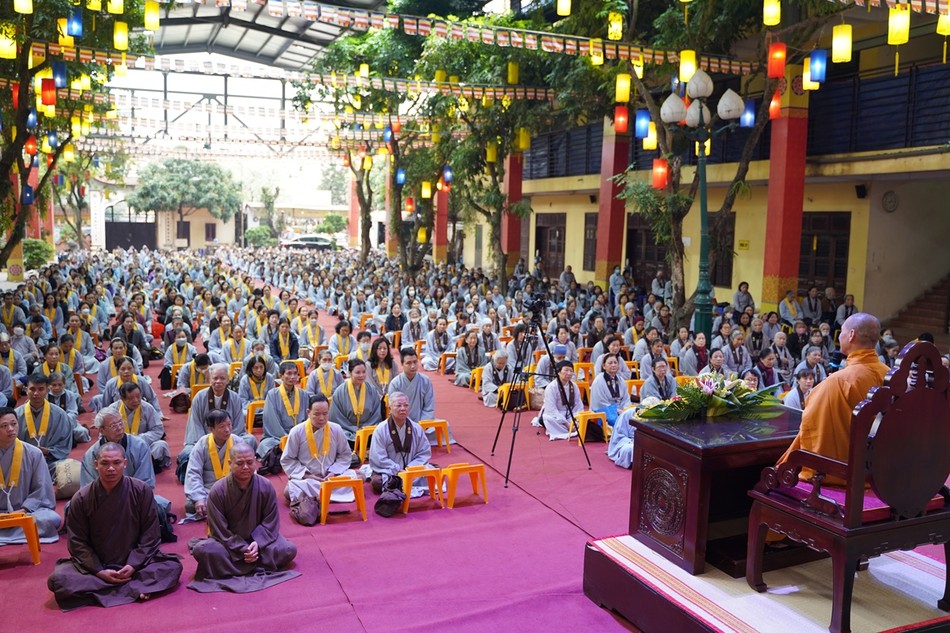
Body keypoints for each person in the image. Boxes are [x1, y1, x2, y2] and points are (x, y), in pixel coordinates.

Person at [48, 442, 183, 609]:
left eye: (117, 463)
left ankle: (108, 589)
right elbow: (77, 543)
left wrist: (133, 565)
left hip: (135, 563)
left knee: (172, 566)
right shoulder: (81, 498)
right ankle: (135, 588)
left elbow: (150, 534)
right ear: (96, 465)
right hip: (98, 565)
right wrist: (99, 570)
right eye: (105, 463)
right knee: (58, 580)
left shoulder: (141, 491)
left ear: (124, 464)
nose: (111, 468)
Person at [777, 313, 889, 483]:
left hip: (844, 475)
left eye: (843, 331)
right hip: (883, 472)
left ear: (851, 335)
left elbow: (812, 431)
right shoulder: (890, 374)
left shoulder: (838, 382)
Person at [188, 441, 298, 593]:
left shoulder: (266, 486)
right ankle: (254, 564)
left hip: (260, 543)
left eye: (249, 462)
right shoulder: (218, 490)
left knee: (287, 549)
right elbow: (219, 529)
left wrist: (256, 543)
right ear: (230, 463)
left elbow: (270, 522)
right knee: (203, 550)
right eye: (239, 463)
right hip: (229, 545)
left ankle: (235, 567)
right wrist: (242, 548)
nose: (245, 467)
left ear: (256, 461)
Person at [0, 407, 62, 545]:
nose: (10, 429)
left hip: (25, 512)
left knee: (51, 519)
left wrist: (24, 509)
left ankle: (11, 531)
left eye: (14, 424)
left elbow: (41, 489)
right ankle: (19, 531)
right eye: (4, 426)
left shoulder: (34, 453)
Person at [281, 395, 357, 505]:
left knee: (359, 476)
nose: (321, 418)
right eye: (316, 414)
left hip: (331, 478)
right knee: (288, 491)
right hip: (309, 480)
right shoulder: (297, 432)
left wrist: (333, 472)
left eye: (325, 414)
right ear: (308, 412)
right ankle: (330, 496)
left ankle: (317, 497)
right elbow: (288, 460)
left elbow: (345, 455)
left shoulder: (336, 429)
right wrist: (306, 474)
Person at [182, 363, 253, 463]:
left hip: (229, 440)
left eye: (222, 378)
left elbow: (238, 426)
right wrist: (208, 443)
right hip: (204, 441)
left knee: (250, 440)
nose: (218, 381)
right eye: (215, 378)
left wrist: (225, 441)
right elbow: (195, 425)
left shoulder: (235, 398)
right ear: (209, 379)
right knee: (187, 452)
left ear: (228, 380)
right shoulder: (199, 397)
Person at [16, 374, 76, 492]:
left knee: (75, 477)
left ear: (47, 390)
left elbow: (65, 443)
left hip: (51, 462)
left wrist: (48, 451)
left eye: (41, 389)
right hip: (22, 464)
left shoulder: (59, 414)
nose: (36, 393)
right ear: (26, 390)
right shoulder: (16, 415)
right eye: (32, 389)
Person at [368, 392, 433, 494]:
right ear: (390, 408)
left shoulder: (416, 428)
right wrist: (397, 470)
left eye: (406, 405)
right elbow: (379, 457)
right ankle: (400, 483)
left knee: (434, 472)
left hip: (411, 470)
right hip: (390, 471)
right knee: (377, 482)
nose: (403, 409)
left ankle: (403, 483)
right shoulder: (380, 429)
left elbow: (424, 453)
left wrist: (410, 469)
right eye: (398, 405)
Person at [184, 410, 244, 518]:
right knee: (190, 505)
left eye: (229, 425)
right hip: (208, 489)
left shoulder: (238, 442)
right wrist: (199, 498)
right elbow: (193, 472)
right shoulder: (201, 445)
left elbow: (248, 468)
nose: (227, 429)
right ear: (210, 429)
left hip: (233, 488)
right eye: (222, 426)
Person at [107, 381, 169, 472]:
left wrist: (139, 439)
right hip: (120, 446)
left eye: (138, 396)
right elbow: (105, 433)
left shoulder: (147, 407)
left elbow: (158, 430)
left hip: (144, 444)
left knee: (161, 445)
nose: (136, 400)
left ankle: (143, 463)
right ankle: (144, 465)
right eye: (131, 398)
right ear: (122, 398)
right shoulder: (112, 410)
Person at [258, 361, 309, 458]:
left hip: (301, 436)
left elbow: (308, 419)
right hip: (278, 437)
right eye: (289, 373)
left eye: (295, 373)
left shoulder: (304, 394)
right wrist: (287, 437)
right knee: (265, 445)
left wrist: (300, 436)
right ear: (281, 376)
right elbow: (271, 421)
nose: (293, 377)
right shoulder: (272, 394)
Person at [328, 359, 381, 443]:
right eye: (357, 372)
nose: (361, 375)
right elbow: (336, 417)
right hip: (346, 430)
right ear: (349, 373)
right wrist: (354, 429)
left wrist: (364, 428)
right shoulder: (340, 392)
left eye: (364, 372)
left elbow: (376, 414)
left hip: (367, 430)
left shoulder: (372, 390)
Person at [388, 347, 438, 435]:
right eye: (409, 363)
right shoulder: (395, 383)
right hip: (401, 423)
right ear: (402, 364)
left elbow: (429, 407)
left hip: (422, 422)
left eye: (415, 362)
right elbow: (394, 409)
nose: (413, 366)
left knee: (443, 427)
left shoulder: (425, 381)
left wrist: (422, 425)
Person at [531, 360, 583, 441]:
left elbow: (578, 405)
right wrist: (567, 424)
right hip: (555, 416)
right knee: (547, 418)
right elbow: (551, 409)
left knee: (583, 418)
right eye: (566, 370)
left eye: (571, 371)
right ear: (558, 372)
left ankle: (572, 428)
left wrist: (576, 420)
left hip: (569, 415)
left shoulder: (574, 386)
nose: (569, 373)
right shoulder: (551, 387)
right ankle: (568, 430)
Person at [590, 354, 631, 428]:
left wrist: (625, 409)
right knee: (618, 421)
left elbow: (626, 399)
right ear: (604, 366)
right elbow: (600, 402)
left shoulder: (621, 380)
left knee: (632, 417)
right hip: (605, 410)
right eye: (610, 363)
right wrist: (617, 411)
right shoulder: (598, 381)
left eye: (615, 363)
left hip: (620, 410)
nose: (613, 365)